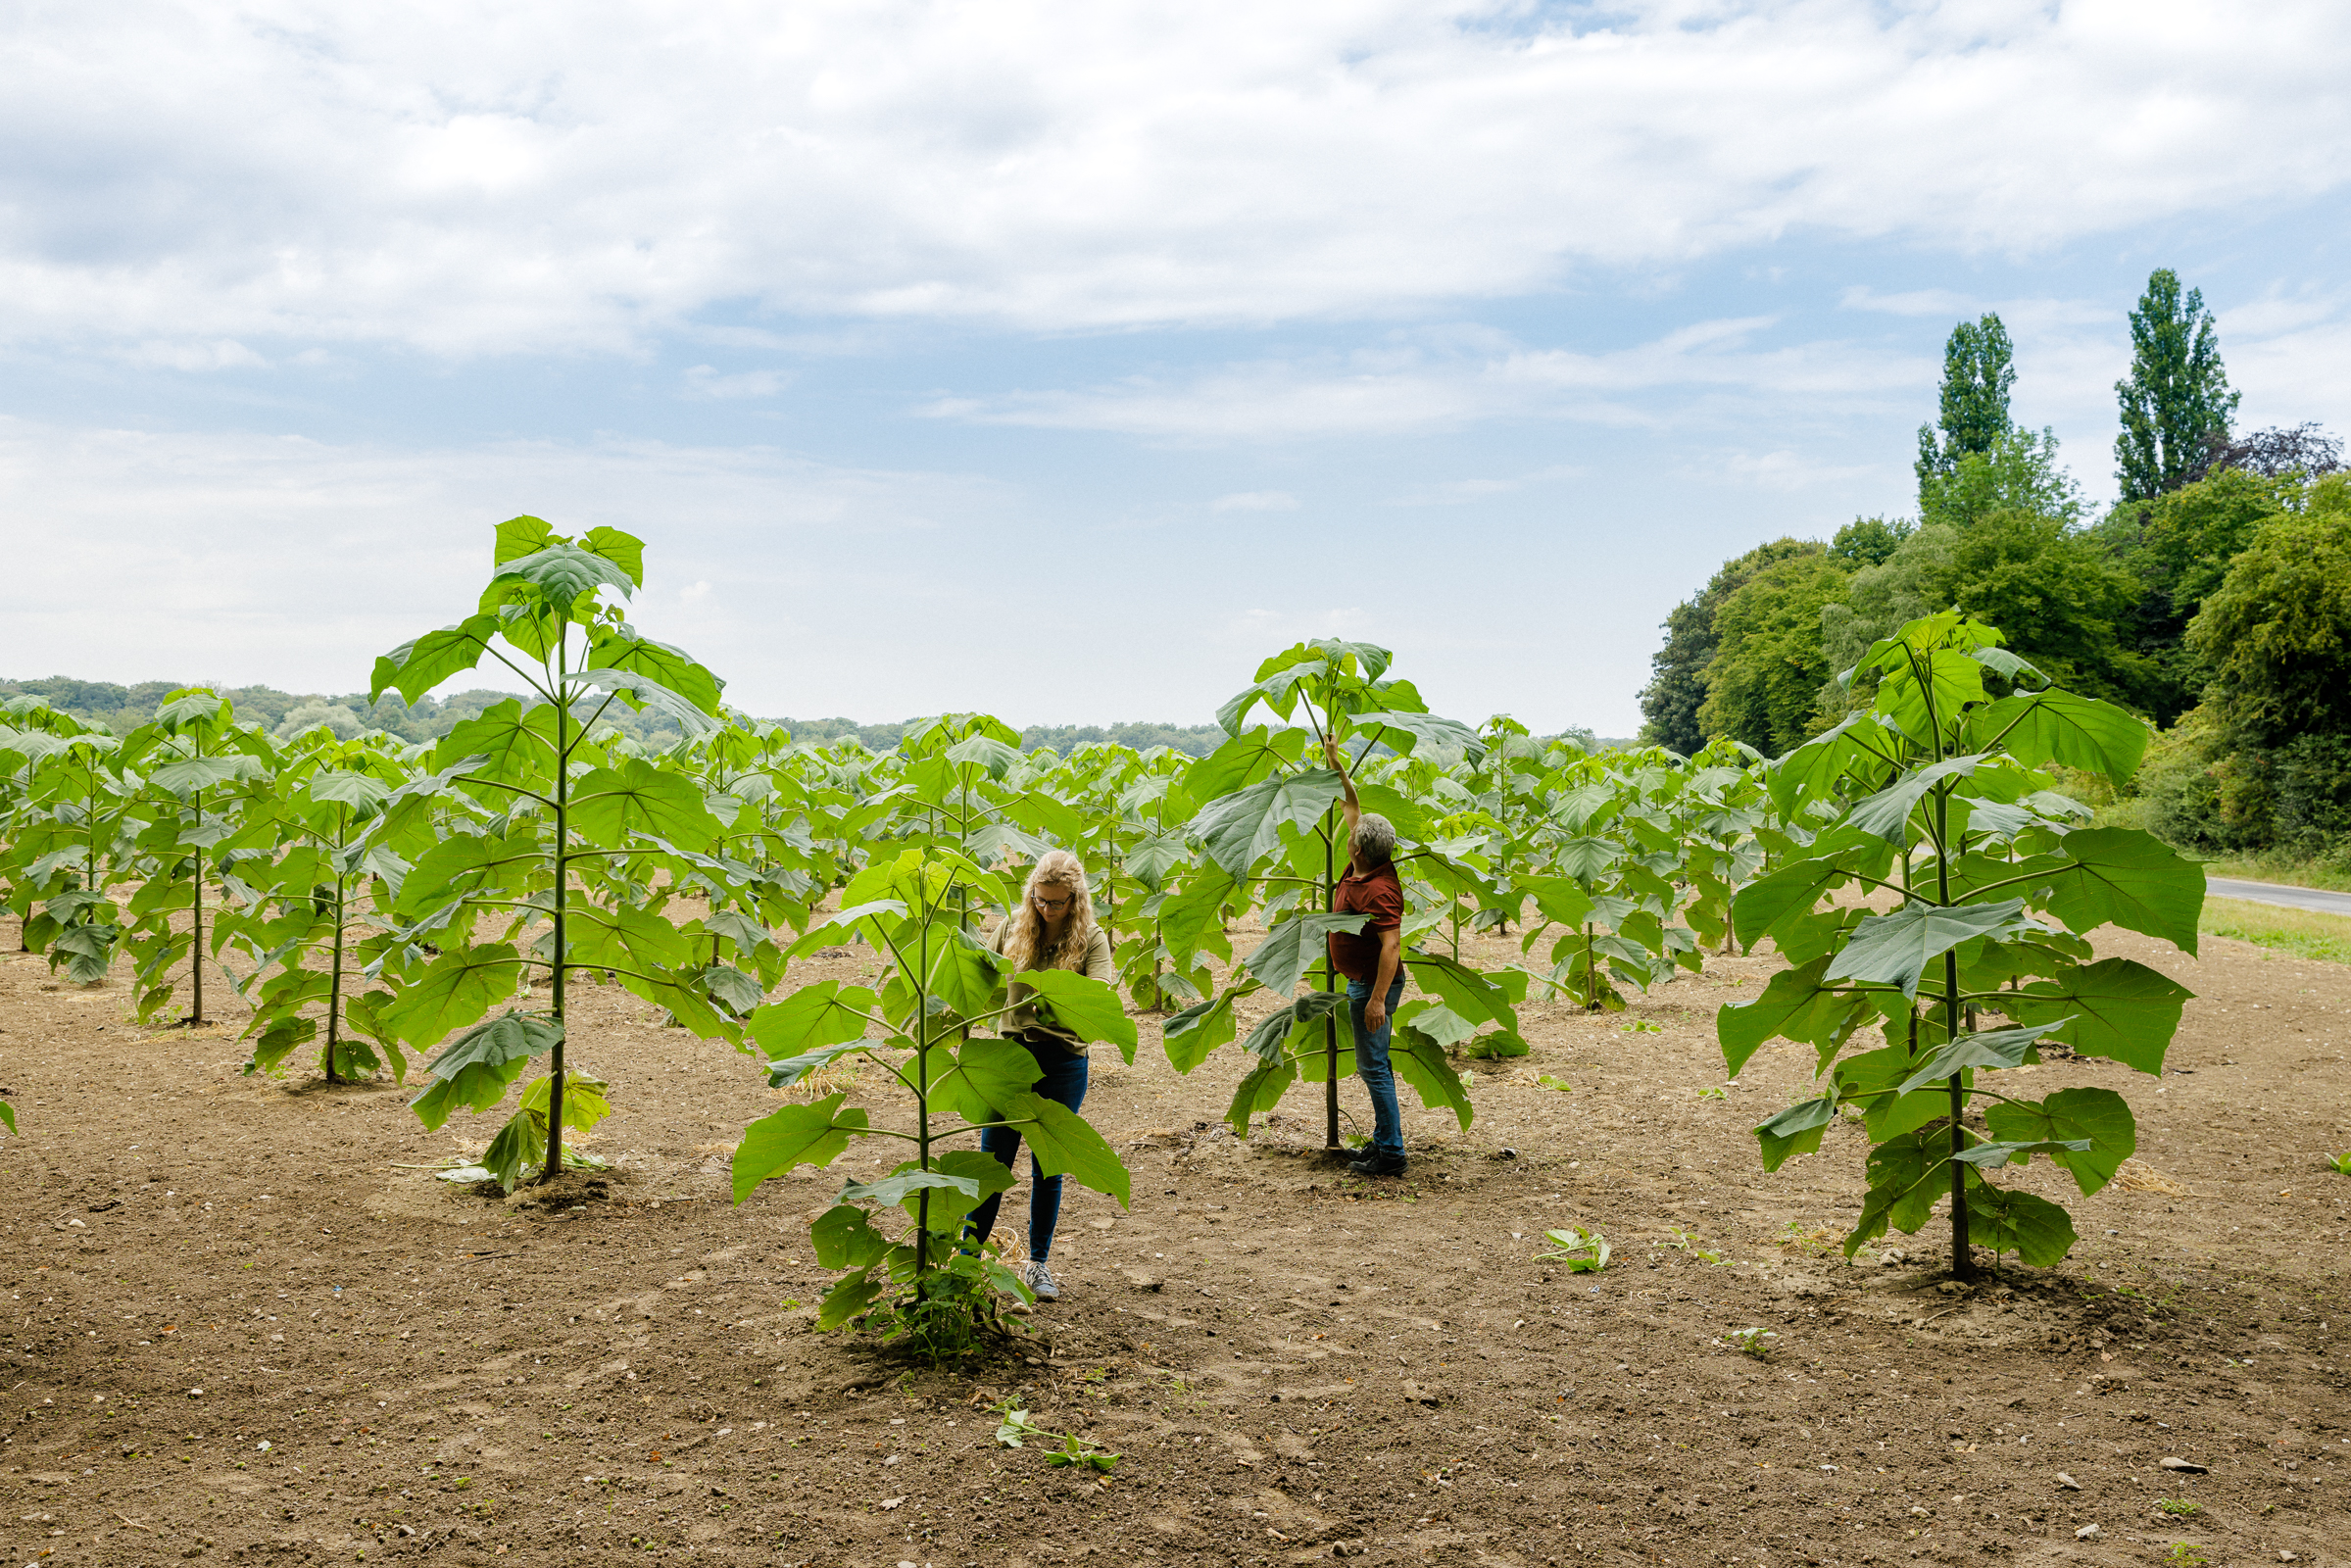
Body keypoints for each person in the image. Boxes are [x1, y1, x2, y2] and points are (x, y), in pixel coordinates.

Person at [971, 849, 1114, 1301]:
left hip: (1062, 1062)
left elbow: (1101, 999)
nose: (1046, 910)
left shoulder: (1091, 939)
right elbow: (979, 978)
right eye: (1040, 899)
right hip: (1010, 1058)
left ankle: (1037, 1264)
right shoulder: (1012, 928)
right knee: (992, 1161)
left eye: (1057, 902)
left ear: (1075, 900)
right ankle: (965, 1258)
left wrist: (1053, 998)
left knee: (1047, 1165)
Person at [1323, 734, 1408, 1176]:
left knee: (1373, 1067)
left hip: (1372, 986)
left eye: (1352, 836)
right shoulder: (1365, 863)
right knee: (1376, 1064)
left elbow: (1392, 946)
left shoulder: (1378, 888)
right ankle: (1383, 1143)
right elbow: (1351, 807)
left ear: (1356, 847)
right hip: (1363, 982)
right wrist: (1337, 763)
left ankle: (1392, 1154)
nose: (1349, 831)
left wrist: (1376, 999)